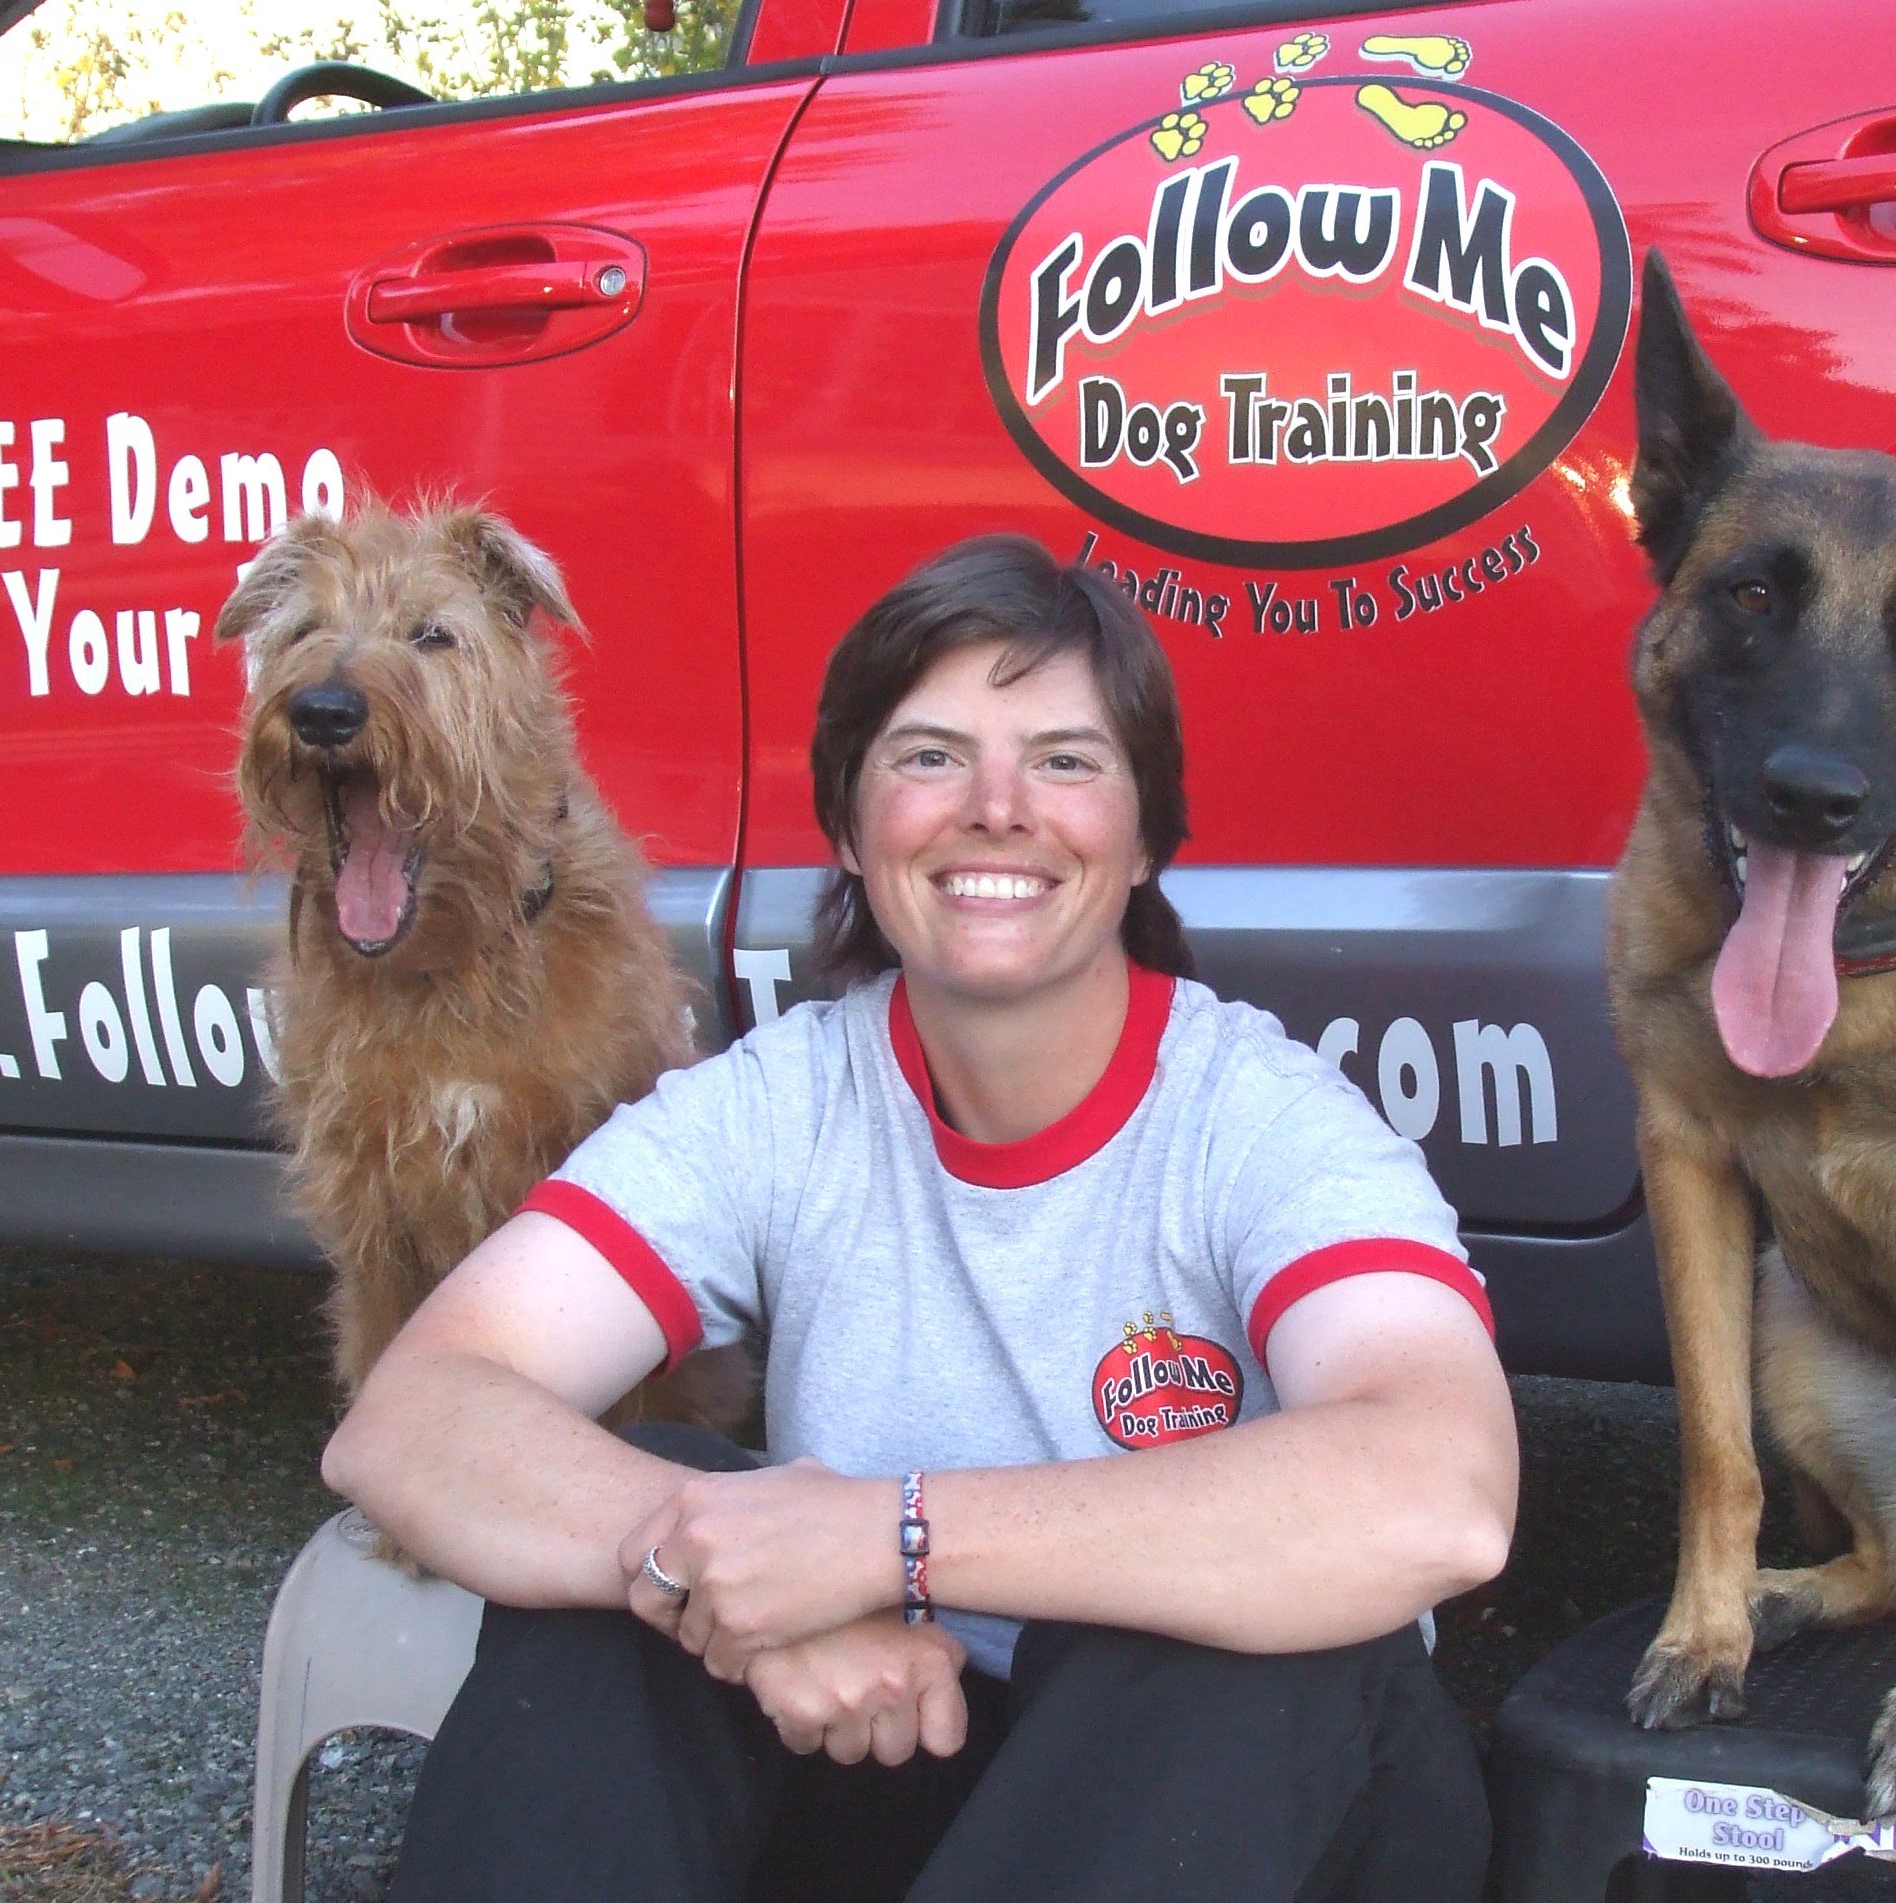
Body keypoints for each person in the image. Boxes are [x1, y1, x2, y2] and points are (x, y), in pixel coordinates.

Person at [323, 534, 1523, 1903]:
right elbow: (414, 1414)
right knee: (644, 1531)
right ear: (848, 823)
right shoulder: (783, 1102)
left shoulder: (1266, 1121)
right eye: (930, 755)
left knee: (1235, 1627)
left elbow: (1442, 1491)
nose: (995, 807)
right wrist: (721, 1585)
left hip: (1254, 1813)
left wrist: (887, 1537)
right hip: (908, 1757)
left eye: (1067, 761)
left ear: (1143, 843)